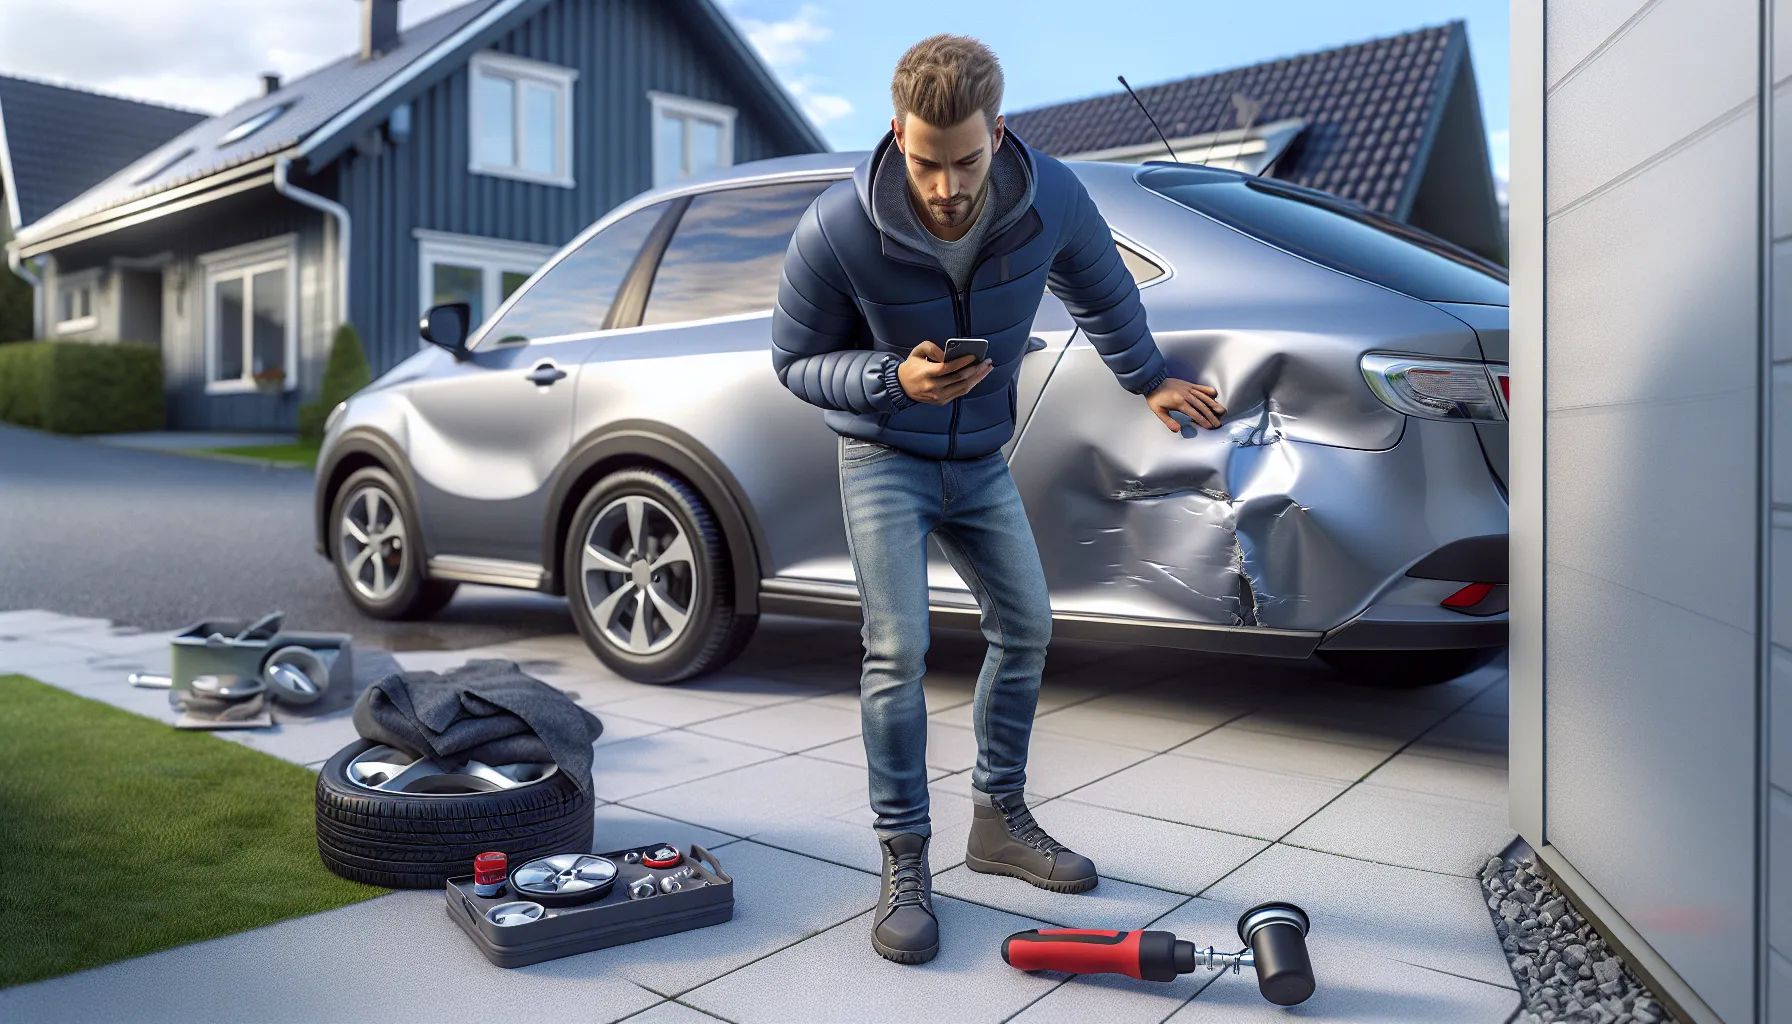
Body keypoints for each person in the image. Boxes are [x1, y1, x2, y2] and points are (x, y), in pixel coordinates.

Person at [770, 34, 1225, 965]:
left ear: (1000, 132)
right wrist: (892, 379)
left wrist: (1149, 380)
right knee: (898, 649)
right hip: (881, 457)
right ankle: (905, 861)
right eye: (926, 162)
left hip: (979, 459)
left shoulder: (1051, 196)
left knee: (1028, 629)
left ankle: (998, 822)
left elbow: (1102, 292)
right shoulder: (836, 226)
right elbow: (794, 364)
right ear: (896, 135)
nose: (946, 187)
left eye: (966, 160)